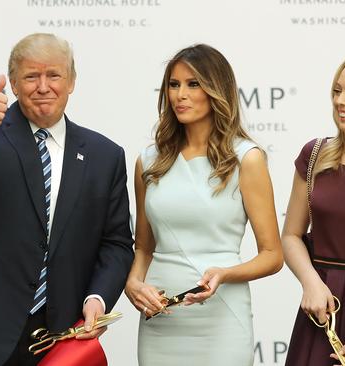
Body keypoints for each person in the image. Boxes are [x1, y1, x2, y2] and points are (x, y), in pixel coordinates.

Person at [0, 33, 134, 366]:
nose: (43, 86)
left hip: (62, 335)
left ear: (72, 81)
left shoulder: (105, 155)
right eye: (31, 77)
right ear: (15, 85)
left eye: (54, 75)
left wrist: (98, 298)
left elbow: (117, 242)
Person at [124, 44, 283, 365]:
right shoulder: (149, 161)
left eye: (193, 84)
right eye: (174, 84)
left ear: (216, 90)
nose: (180, 94)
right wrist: (133, 284)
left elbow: (273, 256)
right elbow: (143, 247)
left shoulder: (246, 159)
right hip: (161, 316)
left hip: (222, 319)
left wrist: (224, 274)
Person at [282, 48, 345, 366]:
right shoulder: (314, 156)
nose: (340, 101)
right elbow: (291, 236)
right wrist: (311, 282)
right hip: (322, 312)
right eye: (337, 91)